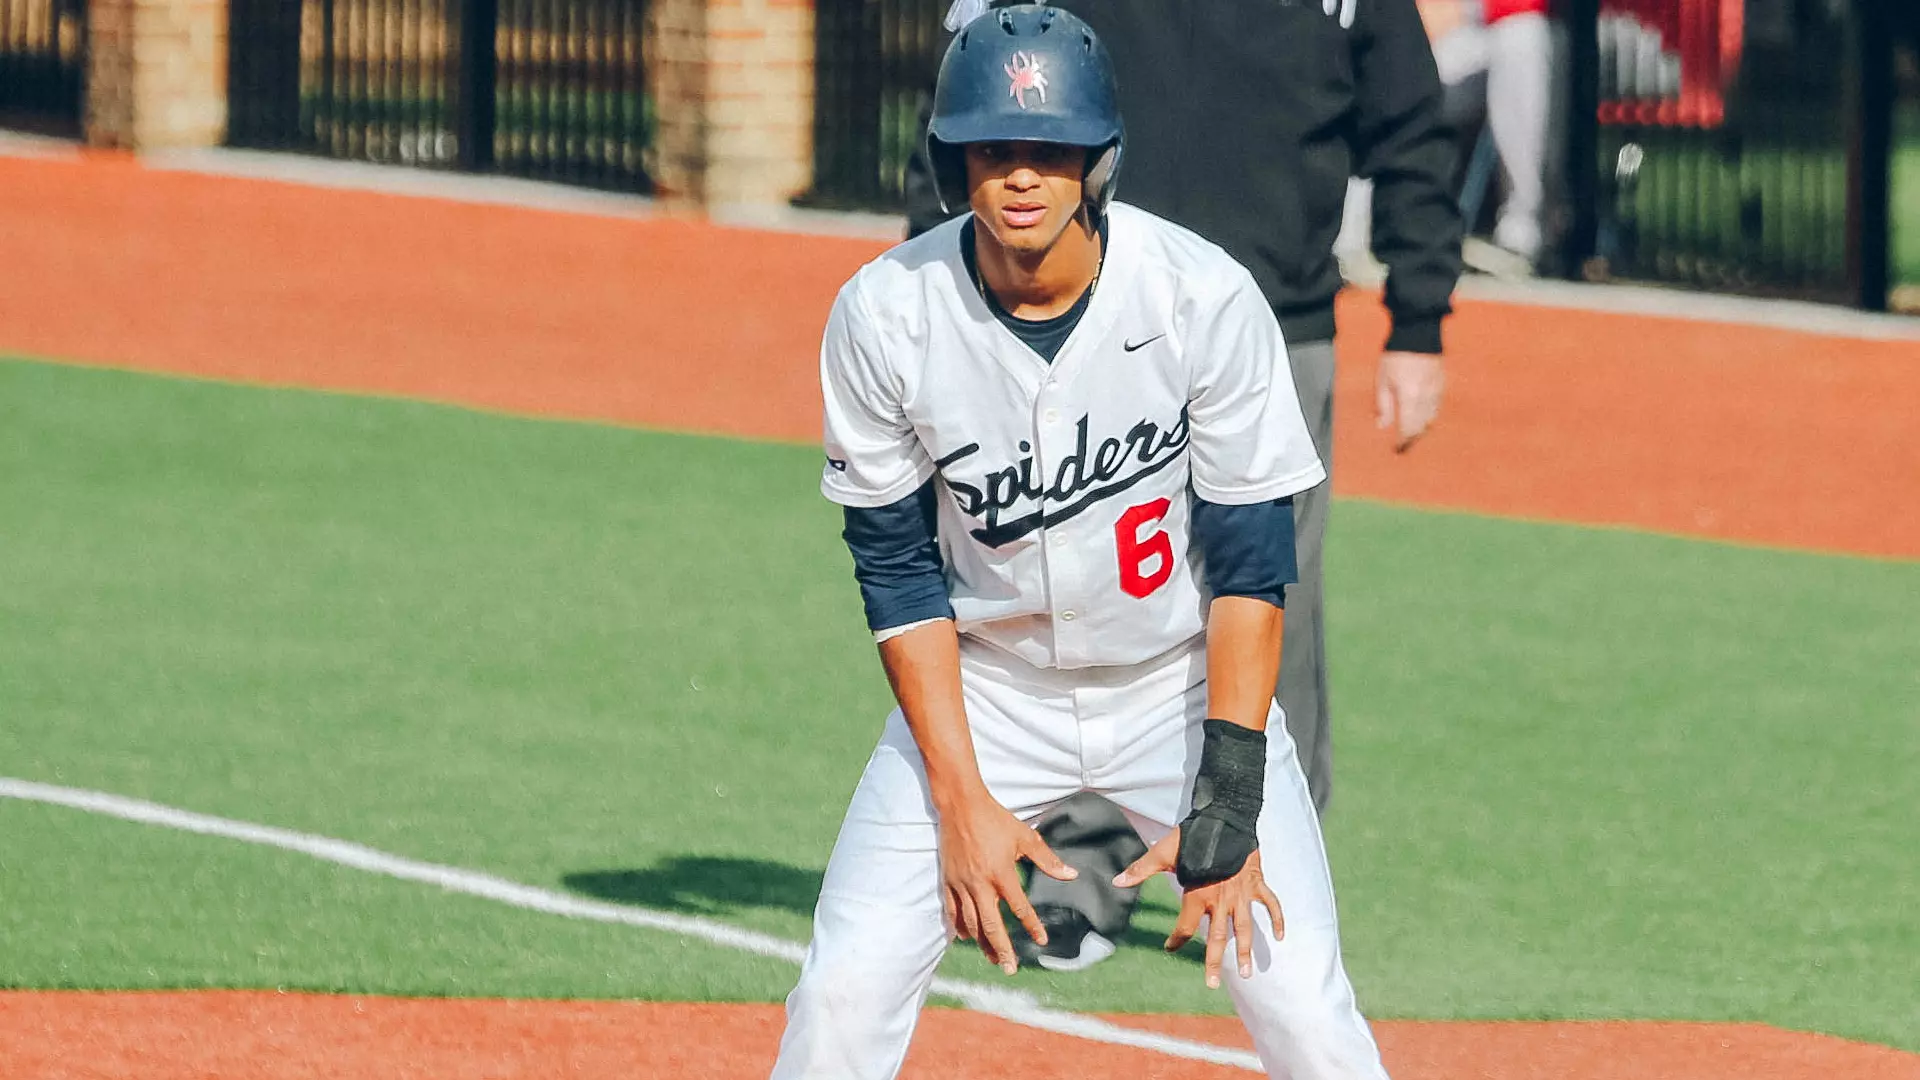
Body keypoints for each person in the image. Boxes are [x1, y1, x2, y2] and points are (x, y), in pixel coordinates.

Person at [772, 7, 1393, 1078]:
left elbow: (1252, 565)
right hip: (991, 692)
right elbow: (897, 572)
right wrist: (961, 801)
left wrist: (1229, 797)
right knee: (842, 990)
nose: (1022, 177)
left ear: (1099, 161)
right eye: (995, 150)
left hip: (1181, 689)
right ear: (951, 160)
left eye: (1051, 151)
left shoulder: (1202, 298)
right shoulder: (887, 314)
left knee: (1301, 1004)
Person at [906, 0, 1463, 970]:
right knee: (1084, 600)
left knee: (1266, 606)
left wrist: (1418, 319)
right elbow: (967, 95)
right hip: (1094, 320)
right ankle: (1077, 874)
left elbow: (1411, 126)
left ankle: (1263, 868)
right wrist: (945, 299)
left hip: (1279, 327)